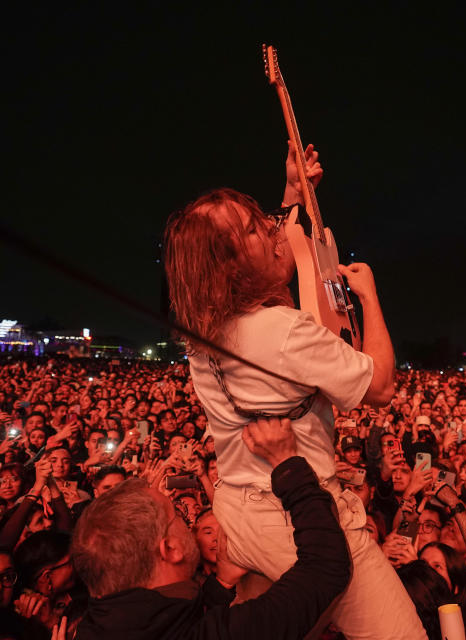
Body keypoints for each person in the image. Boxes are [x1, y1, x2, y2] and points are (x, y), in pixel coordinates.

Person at [163, 143, 424, 638]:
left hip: (236, 512)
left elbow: (276, 250)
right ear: (232, 266)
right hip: (292, 521)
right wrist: (369, 297)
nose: (271, 230)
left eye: (264, 218)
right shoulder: (281, 331)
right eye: (254, 229)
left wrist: (292, 194)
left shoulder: (199, 329)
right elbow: (383, 387)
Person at [70, 417, 351, 640]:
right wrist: (288, 465)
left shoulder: (91, 627)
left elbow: (167, 619)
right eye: (177, 517)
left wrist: (219, 586)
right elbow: (325, 568)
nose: (186, 523)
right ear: (170, 548)